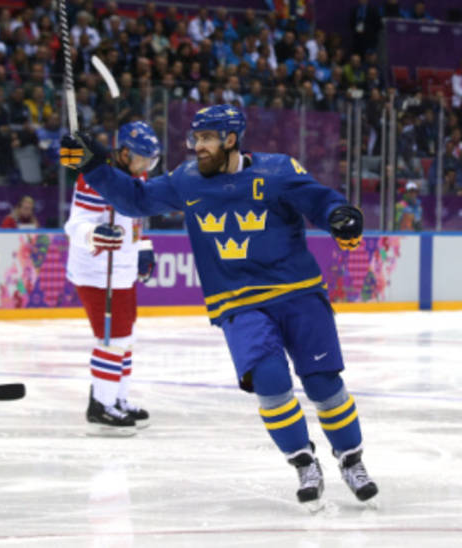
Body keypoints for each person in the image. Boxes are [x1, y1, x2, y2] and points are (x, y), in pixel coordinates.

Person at [61, 105, 377, 508]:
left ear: (231, 139)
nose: (199, 146)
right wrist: (94, 166)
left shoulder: (277, 170)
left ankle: (351, 459)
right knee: (269, 382)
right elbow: (136, 200)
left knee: (323, 382)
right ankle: (303, 462)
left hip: (298, 292)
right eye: (196, 138)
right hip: (238, 302)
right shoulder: (186, 179)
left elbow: (321, 201)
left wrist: (340, 215)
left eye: (208, 138)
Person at [61, 121, 160, 436]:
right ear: (125, 153)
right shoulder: (94, 179)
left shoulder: (137, 177)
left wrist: (143, 247)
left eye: (151, 162)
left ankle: (117, 398)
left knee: (125, 338)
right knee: (112, 339)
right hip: (96, 272)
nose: (146, 167)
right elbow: (75, 225)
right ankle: (101, 406)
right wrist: (95, 233)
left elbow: (137, 221)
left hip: (123, 271)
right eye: (143, 159)